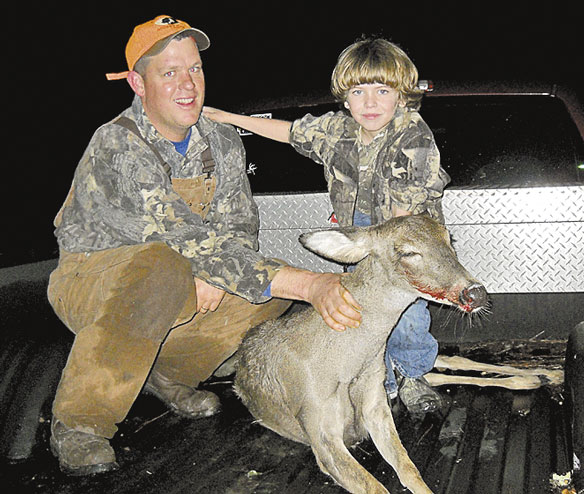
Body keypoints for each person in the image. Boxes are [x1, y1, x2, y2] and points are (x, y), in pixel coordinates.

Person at [47, 15, 362, 476]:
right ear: (138, 83)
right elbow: (180, 238)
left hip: (180, 268)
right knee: (166, 268)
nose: (188, 84)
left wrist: (221, 272)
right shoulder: (117, 145)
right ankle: (79, 422)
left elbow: (238, 226)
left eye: (194, 68)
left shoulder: (221, 139)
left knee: (262, 296)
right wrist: (312, 284)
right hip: (92, 279)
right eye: (169, 72)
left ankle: (164, 376)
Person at [203, 37, 450, 415]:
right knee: (360, 310)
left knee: (406, 312)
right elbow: (289, 132)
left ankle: (413, 374)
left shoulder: (414, 136)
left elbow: (402, 221)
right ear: (345, 98)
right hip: (359, 232)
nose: (370, 103)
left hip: (405, 239)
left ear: (401, 97)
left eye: (383, 91)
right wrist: (228, 118)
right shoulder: (337, 131)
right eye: (358, 91)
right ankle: (378, 380)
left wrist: (385, 264)